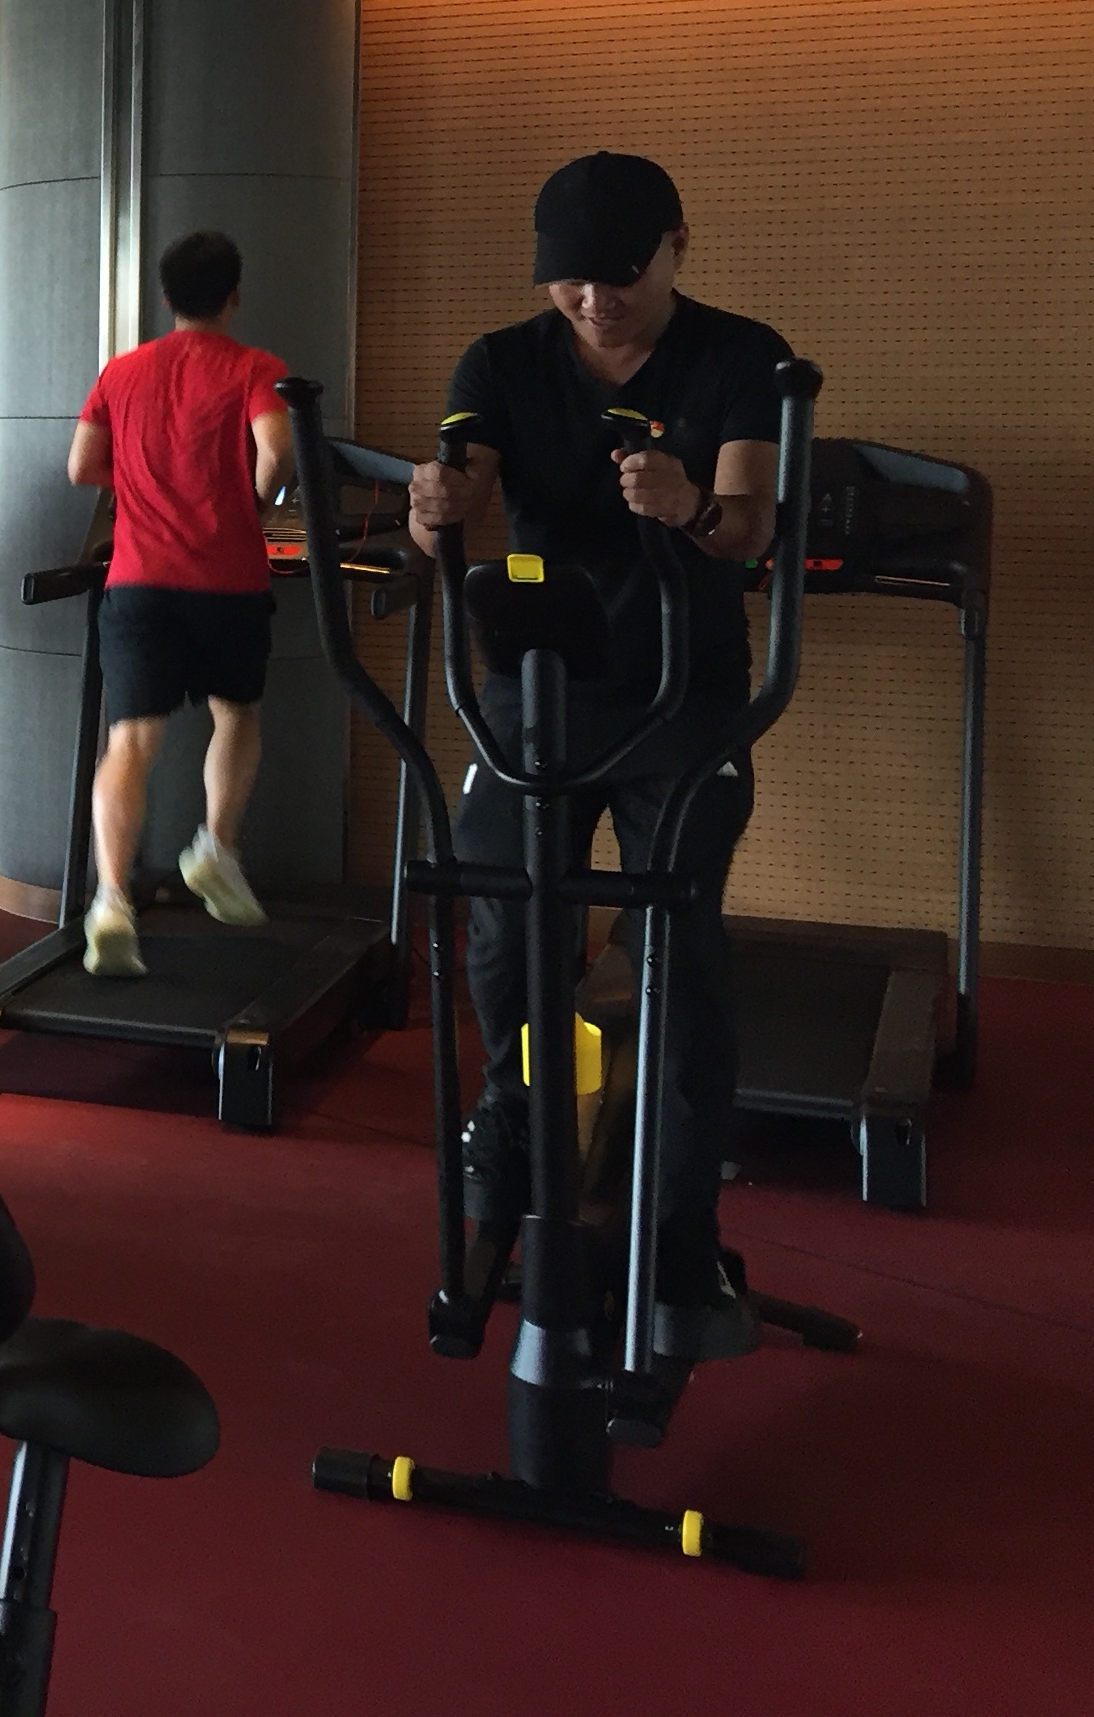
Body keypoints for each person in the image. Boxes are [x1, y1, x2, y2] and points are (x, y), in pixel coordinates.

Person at [406, 152, 792, 1358]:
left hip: (681, 691)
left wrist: (688, 506)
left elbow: (750, 525)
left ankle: (679, 1227)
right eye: (571, 282)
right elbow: (459, 488)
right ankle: (519, 1138)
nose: (594, 303)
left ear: (679, 245)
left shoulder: (742, 357)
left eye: (618, 278)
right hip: (539, 686)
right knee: (502, 923)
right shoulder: (502, 361)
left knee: (677, 947)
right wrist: (431, 507)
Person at [65, 229, 294, 977]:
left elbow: (81, 466)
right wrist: (250, 501)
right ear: (235, 294)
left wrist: (138, 484)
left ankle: (111, 899)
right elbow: (277, 451)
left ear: (166, 297)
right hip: (229, 581)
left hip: (138, 581)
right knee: (236, 714)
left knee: (130, 741)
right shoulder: (255, 367)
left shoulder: (121, 371)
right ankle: (216, 848)